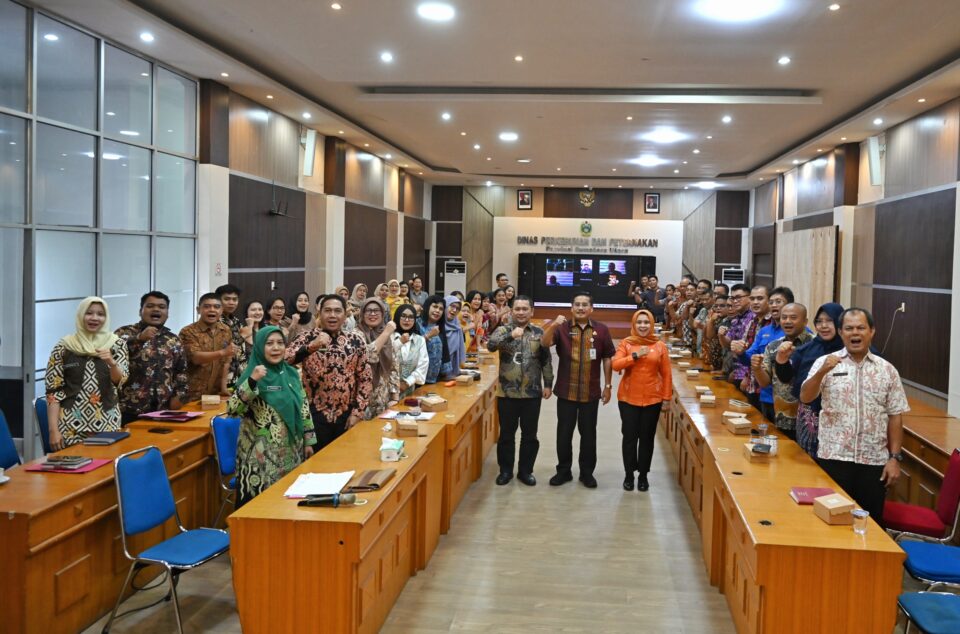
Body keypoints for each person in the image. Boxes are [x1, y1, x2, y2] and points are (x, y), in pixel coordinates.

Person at [800, 308, 908, 526]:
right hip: (833, 458)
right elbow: (805, 397)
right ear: (841, 332)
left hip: (873, 462)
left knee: (869, 525)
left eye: (861, 328)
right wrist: (822, 372)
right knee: (829, 522)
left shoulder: (887, 370)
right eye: (849, 328)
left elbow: (895, 416)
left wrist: (894, 458)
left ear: (872, 331)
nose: (855, 333)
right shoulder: (825, 362)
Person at [229, 326, 316, 506]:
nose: (276, 348)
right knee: (260, 508)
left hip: (291, 453)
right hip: (259, 459)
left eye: (280, 343)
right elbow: (232, 409)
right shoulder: (251, 373)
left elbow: (303, 407)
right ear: (260, 347)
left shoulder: (292, 373)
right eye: (269, 343)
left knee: (286, 505)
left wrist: (309, 440)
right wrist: (252, 381)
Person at [541, 293, 615, 488]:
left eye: (584, 305)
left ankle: (587, 473)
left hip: (590, 392)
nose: (580, 308)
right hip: (566, 391)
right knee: (564, 434)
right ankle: (563, 471)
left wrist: (608, 386)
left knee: (589, 435)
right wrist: (554, 325)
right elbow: (544, 343)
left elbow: (607, 358)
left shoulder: (602, 330)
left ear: (591, 308)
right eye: (577, 304)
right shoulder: (562, 328)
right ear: (571, 308)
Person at [286, 294, 372, 450]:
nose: (332, 315)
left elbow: (365, 379)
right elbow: (285, 360)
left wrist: (358, 412)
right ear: (319, 313)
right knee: (315, 462)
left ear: (345, 315)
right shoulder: (306, 337)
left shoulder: (356, 341)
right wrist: (312, 346)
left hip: (346, 415)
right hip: (313, 416)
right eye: (328, 310)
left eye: (338, 311)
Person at [45, 297, 129, 449]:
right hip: (70, 426)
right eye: (89, 313)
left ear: (106, 318)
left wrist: (111, 363)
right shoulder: (64, 347)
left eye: (100, 314)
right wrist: (53, 431)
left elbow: (120, 381)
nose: (94, 318)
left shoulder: (117, 344)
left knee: (106, 464)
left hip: (107, 423)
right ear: (80, 315)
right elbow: (53, 392)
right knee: (72, 463)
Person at [487, 296, 553, 486]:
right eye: (517, 309)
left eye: (525, 309)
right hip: (507, 393)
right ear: (512, 311)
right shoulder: (503, 330)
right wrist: (511, 336)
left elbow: (546, 360)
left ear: (532, 311)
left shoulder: (539, 332)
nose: (521, 312)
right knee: (506, 435)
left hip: (532, 393)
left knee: (530, 436)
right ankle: (505, 471)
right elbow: (491, 346)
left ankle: (525, 471)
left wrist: (548, 384)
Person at [612, 309, 672, 492]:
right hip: (628, 398)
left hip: (652, 400)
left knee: (647, 439)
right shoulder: (627, 343)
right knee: (629, 438)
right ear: (634, 324)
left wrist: (666, 398)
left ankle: (643, 475)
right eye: (639, 322)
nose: (643, 326)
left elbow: (666, 374)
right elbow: (616, 365)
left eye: (646, 322)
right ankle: (629, 474)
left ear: (651, 324)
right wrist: (635, 356)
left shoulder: (660, 346)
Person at [776, 303, 845, 457]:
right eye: (819, 321)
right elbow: (786, 377)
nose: (823, 326)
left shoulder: (850, 351)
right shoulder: (806, 349)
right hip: (810, 416)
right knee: (806, 461)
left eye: (829, 321)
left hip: (840, 417)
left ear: (840, 323)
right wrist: (781, 360)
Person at [115, 291, 189, 424]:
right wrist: (139, 338)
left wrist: (179, 396)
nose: (156, 309)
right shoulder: (124, 332)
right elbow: (113, 353)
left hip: (163, 408)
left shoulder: (173, 340)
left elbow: (181, 372)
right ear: (140, 311)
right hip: (128, 408)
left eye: (161, 307)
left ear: (167, 313)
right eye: (150, 306)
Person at [755, 303, 812, 439]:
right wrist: (756, 369)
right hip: (781, 417)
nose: (787, 321)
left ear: (805, 322)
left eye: (793, 317)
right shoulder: (773, 346)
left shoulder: (814, 344)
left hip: (808, 421)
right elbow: (764, 382)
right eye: (784, 317)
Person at [744, 286, 792, 420]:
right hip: (765, 395)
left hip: (788, 399)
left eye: (778, 302)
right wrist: (740, 352)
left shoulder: (799, 332)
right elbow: (749, 357)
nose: (774, 305)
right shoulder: (764, 330)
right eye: (771, 302)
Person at [180, 293, 235, 402]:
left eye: (216, 307)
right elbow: (195, 358)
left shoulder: (226, 330)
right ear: (198, 310)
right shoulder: (188, 331)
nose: (212, 310)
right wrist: (222, 352)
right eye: (207, 306)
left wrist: (223, 388)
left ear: (221, 310)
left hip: (214, 395)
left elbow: (226, 362)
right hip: (190, 394)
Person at [357, 297, 399, 418]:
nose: (372, 314)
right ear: (362, 314)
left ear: (382, 314)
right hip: (361, 399)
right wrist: (386, 333)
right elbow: (368, 356)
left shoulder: (387, 336)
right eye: (368, 310)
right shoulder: (356, 334)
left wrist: (395, 398)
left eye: (376, 310)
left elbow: (394, 367)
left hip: (383, 398)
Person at [391, 305, 429, 398]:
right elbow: (385, 358)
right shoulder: (389, 337)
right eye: (403, 316)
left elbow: (423, 365)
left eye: (411, 317)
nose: (407, 320)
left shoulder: (420, 340)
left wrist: (407, 383)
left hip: (409, 391)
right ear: (397, 317)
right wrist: (399, 342)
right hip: (387, 391)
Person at [216, 283, 246, 388]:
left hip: (237, 376)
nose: (231, 302)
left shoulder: (237, 322)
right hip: (219, 378)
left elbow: (241, 351)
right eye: (227, 299)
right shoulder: (214, 321)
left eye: (235, 299)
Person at [418, 295, 450, 383]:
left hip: (436, 378)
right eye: (435, 306)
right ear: (427, 307)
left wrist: (445, 373)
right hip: (418, 378)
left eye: (441, 309)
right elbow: (413, 347)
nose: (437, 311)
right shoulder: (417, 324)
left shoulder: (440, 327)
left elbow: (445, 351)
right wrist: (429, 335)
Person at [444, 295, 467, 378]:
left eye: (457, 308)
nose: (454, 310)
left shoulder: (457, 328)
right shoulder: (437, 326)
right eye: (452, 306)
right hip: (435, 374)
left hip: (452, 374)